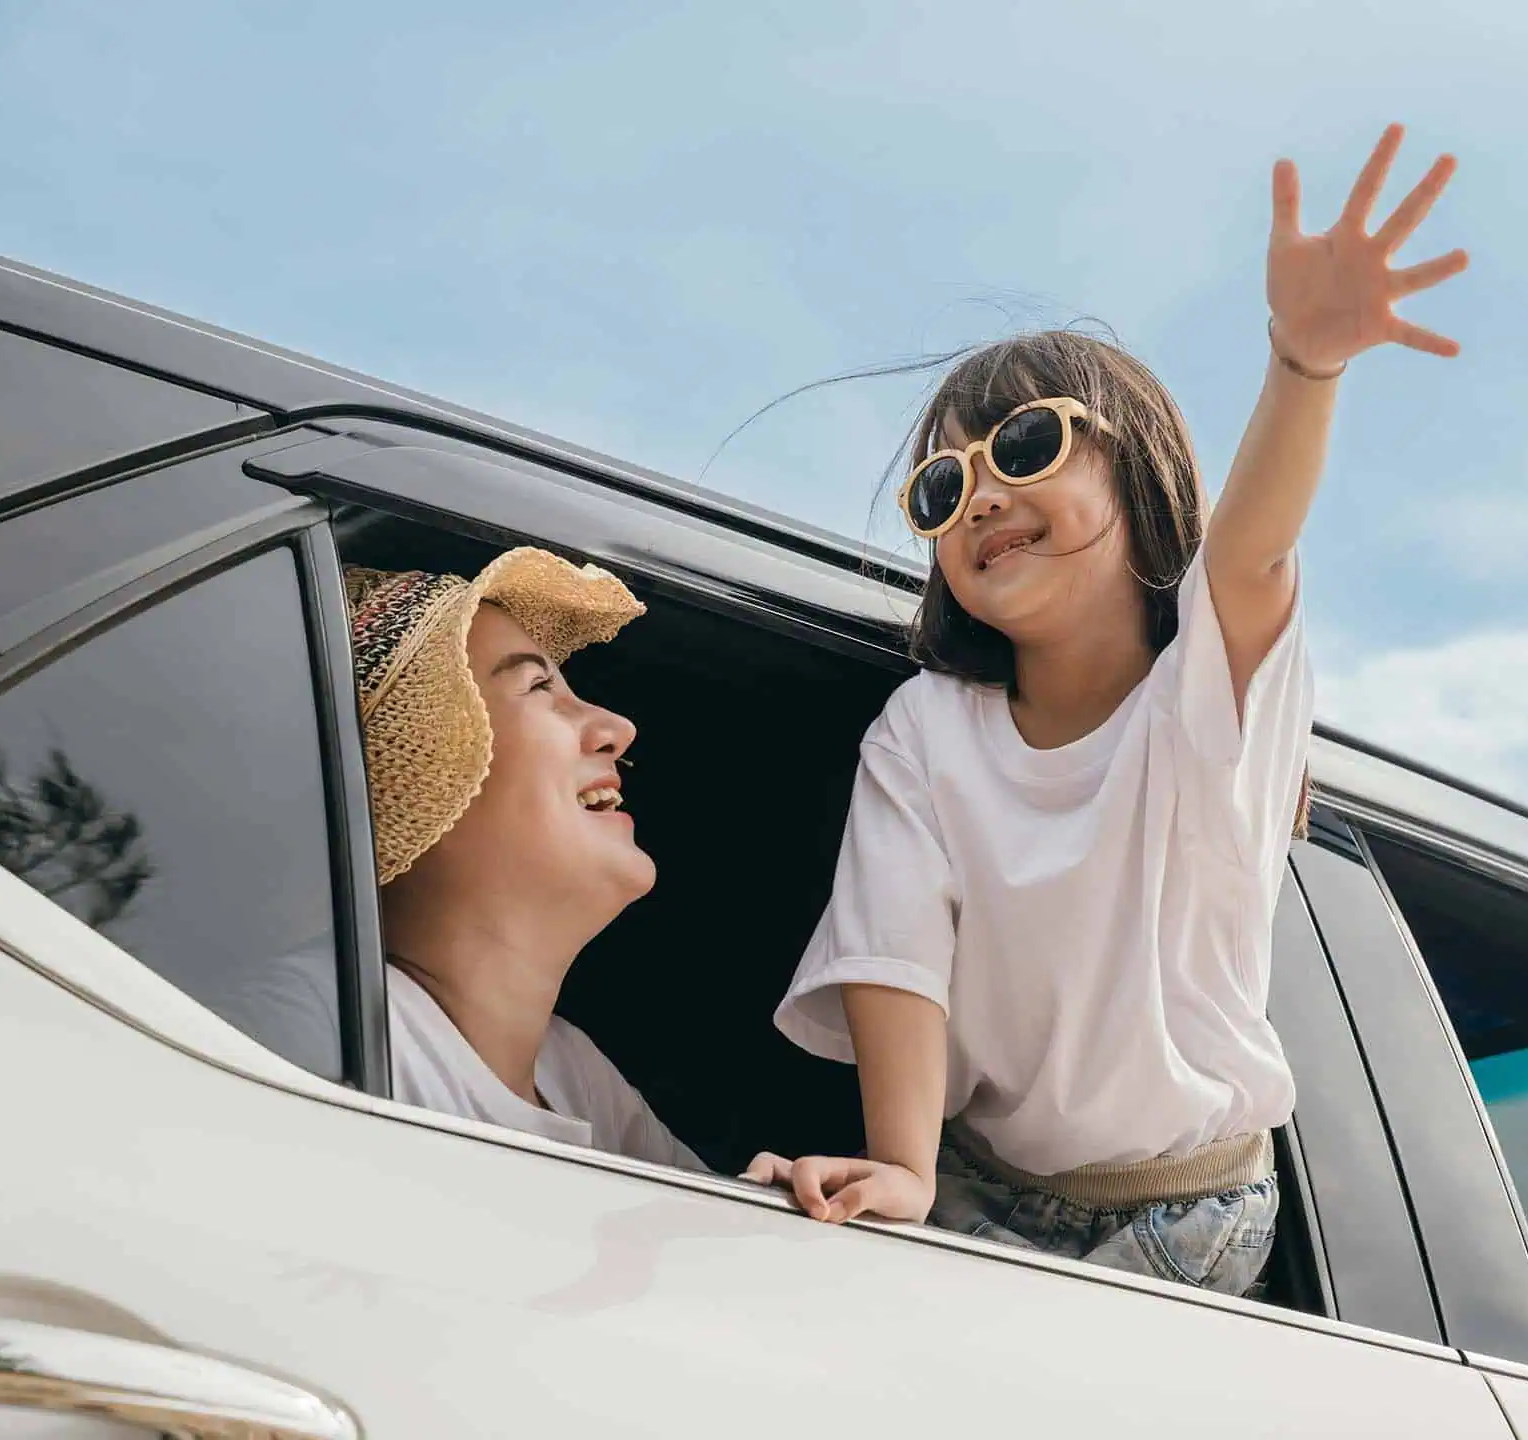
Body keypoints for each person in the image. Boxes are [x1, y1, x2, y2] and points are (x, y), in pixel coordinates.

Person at [749, 125, 1468, 1294]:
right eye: (944, 486)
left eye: (1024, 446)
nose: (981, 494)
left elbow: (1250, 550)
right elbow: (895, 955)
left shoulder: (1204, 697)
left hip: (1186, 1207)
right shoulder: (925, 733)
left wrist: (1306, 367)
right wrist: (904, 1170)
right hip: (981, 1178)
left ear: (1137, 471)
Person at [343, 547, 705, 1172]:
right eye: (540, 686)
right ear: (425, 776)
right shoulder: (326, 1030)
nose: (617, 727)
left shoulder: (573, 1072)